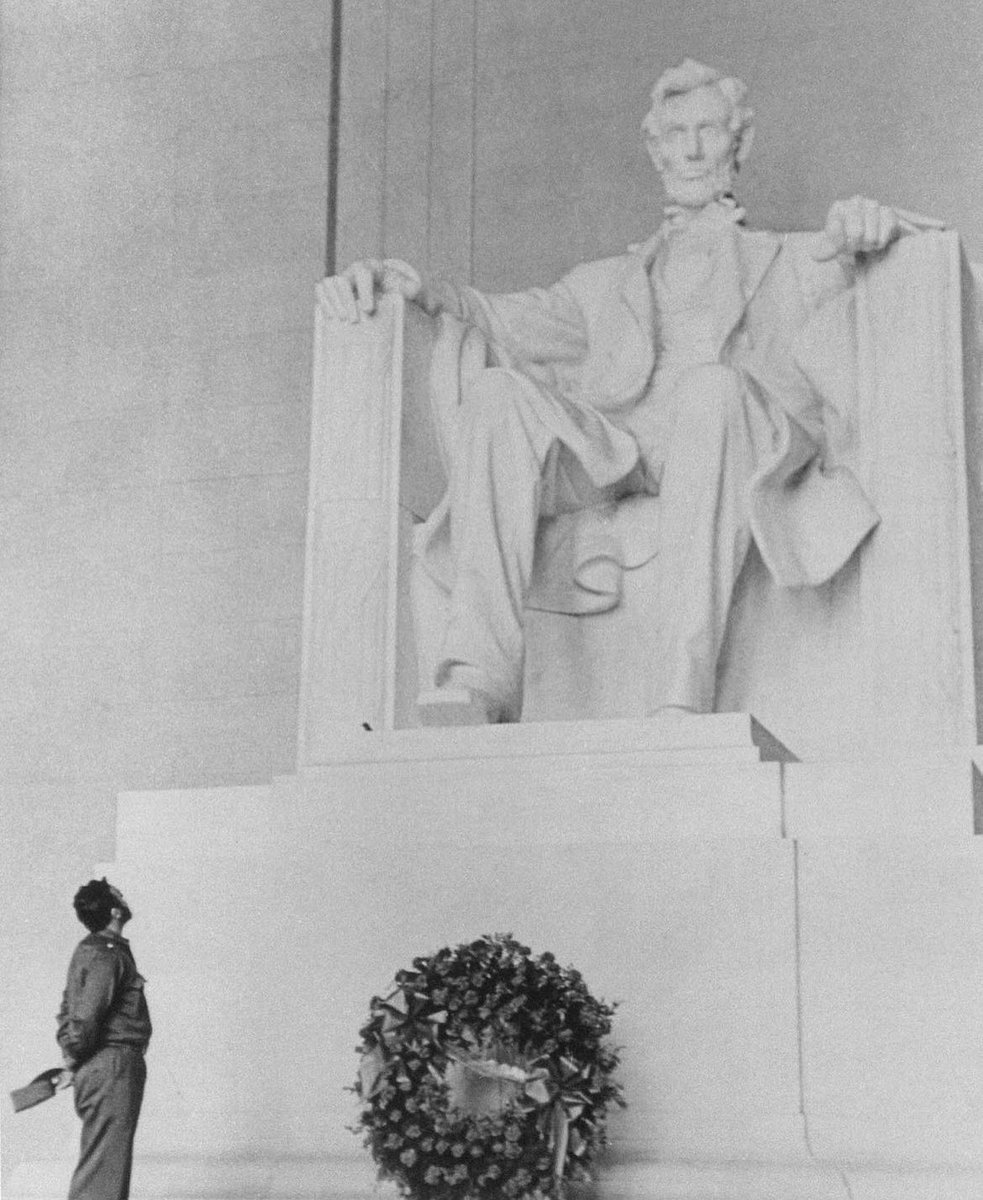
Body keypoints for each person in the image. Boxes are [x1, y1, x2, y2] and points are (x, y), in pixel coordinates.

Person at [318, 58, 934, 724]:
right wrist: (405, 287)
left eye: (707, 130)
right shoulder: (600, 283)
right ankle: (476, 677)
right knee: (498, 397)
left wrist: (867, 226)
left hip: (730, 441)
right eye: (675, 134)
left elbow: (890, 263)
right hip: (620, 453)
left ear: (740, 142)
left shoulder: (794, 258)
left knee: (711, 392)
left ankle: (680, 695)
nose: (692, 149)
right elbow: (491, 314)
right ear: (654, 148)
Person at [56, 879, 152, 1200]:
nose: (124, 897)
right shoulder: (106, 954)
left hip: (105, 1067)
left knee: (104, 1169)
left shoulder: (94, 950)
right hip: (112, 1068)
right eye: (118, 895)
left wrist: (73, 1061)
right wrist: (73, 1058)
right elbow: (83, 1020)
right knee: (103, 1175)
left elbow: (68, 1012)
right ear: (114, 910)